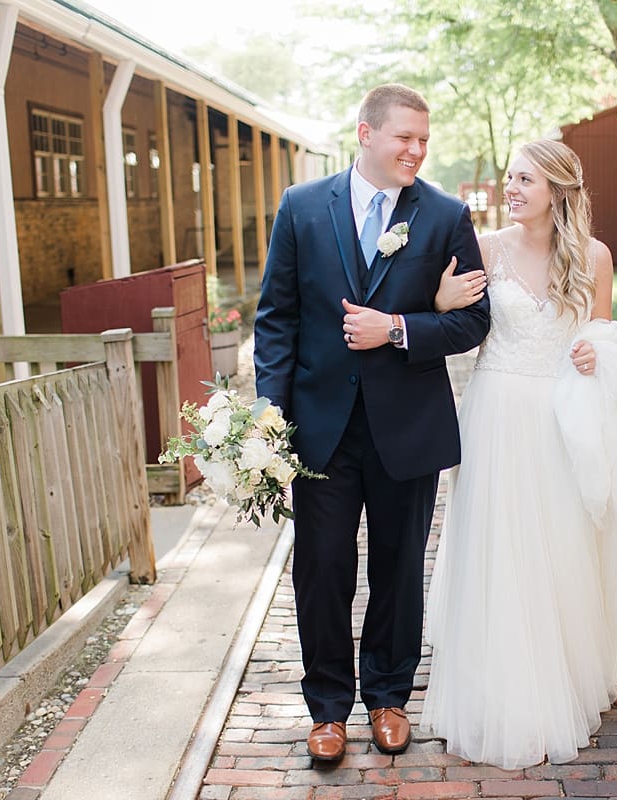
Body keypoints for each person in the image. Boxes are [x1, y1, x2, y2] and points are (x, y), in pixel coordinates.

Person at [253, 84, 491, 763]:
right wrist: (271, 414)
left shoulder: (445, 216)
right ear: (366, 133)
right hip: (320, 427)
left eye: (424, 138)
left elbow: (474, 320)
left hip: (406, 428)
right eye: (404, 138)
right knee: (322, 570)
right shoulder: (302, 208)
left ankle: (388, 697)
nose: (417, 149)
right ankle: (326, 709)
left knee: (397, 567)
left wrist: (397, 328)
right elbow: (276, 319)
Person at [421, 139, 617, 769]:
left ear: (558, 190)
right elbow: (454, 326)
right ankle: (495, 683)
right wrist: (438, 304)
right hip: (496, 411)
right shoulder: (485, 248)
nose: (512, 187)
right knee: (497, 541)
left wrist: (595, 351)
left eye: (525, 179)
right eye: (510, 176)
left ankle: (563, 675)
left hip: (560, 414)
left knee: (561, 543)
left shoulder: (592, 256)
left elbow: (605, 336)